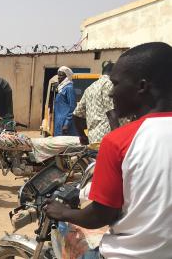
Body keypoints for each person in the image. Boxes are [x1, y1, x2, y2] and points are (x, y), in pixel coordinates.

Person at [44, 42, 172, 258]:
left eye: (116, 84)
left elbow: (100, 215)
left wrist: (63, 212)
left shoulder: (119, 141)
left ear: (141, 86)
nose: (112, 93)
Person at [72, 62, 117, 144]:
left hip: (93, 140)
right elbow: (112, 114)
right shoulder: (109, 84)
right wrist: (119, 141)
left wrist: (83, 136)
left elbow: (76, 115)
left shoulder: (90, 88)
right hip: (108, 140)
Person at [54, 66, 77, 136]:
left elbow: (72, 107)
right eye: (58, 75)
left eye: (61, 75)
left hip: (65, 124)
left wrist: (66, 123)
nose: (58, 77)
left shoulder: (69, 88)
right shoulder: (61, 88)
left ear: (67, 76)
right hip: (59, 122)